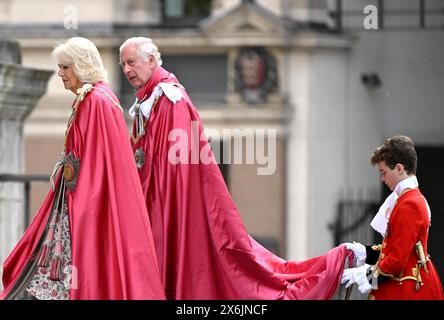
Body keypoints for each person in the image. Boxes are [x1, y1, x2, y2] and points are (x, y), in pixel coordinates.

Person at [119, 37, 351, 299]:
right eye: (123, 65)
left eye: (131, 62)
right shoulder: (151, 100)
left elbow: (177, 168)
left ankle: (334, 264)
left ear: (150, 61)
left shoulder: (171, 99)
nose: (126, 70)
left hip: (171, 209)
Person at [0, 37, 165, 300]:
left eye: (65, 67)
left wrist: (83, 208)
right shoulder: (92, 98)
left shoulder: (96, 100)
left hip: (85, 204)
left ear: (81, 65)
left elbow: (98, 165)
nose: (60, 73)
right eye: (60, 67)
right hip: (73, 202)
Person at [341, 135, 444, 300]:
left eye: (384, 172)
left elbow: (396, 260)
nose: (382, 179)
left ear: (399, 169)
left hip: (408, 288)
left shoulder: (409, 203)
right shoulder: (405, 198)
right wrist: (365, 253)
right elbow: (395, 249)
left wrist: (364, 276)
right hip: (403, 283)